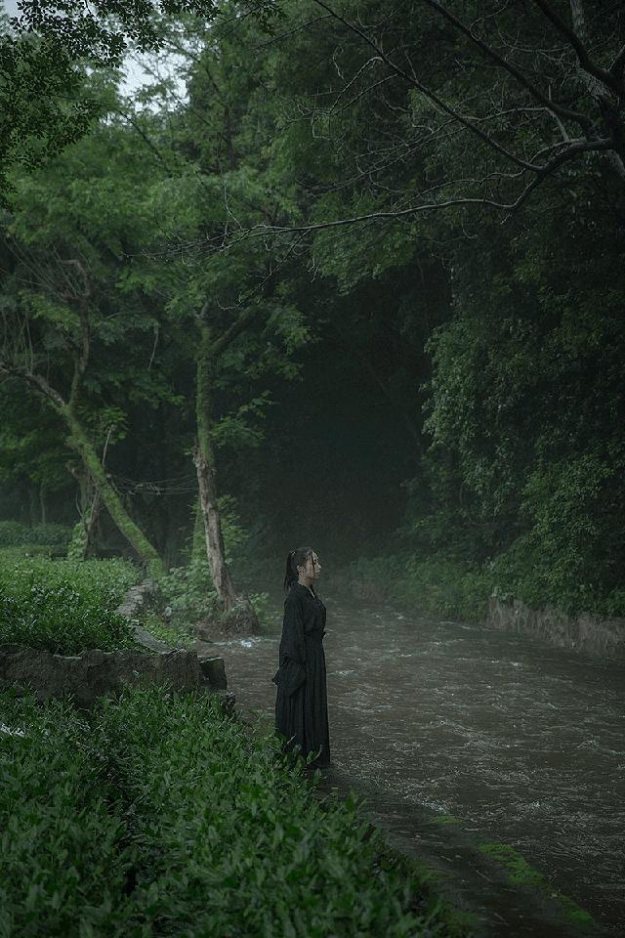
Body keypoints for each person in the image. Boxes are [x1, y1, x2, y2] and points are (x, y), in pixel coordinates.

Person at [272, 547, 331, 768]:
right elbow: (291, 637)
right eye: (314, 562)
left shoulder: (310, 592)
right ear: (300, 568)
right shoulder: (295, 598)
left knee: (314, 705)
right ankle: (302, 758)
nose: (319, 566)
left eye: (317, 561)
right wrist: (300, 667)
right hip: (304, 659)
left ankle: (316, 756)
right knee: (303, 704)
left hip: (315, 656)